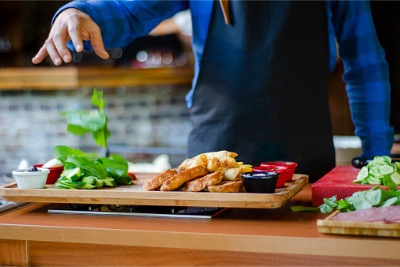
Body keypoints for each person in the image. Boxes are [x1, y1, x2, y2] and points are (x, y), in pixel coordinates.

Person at [32, 0, 394, 182]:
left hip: (305, 169)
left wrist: (377, 155)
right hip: (210, 170)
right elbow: (128, 12)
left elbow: (365, 62)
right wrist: (76, 10)